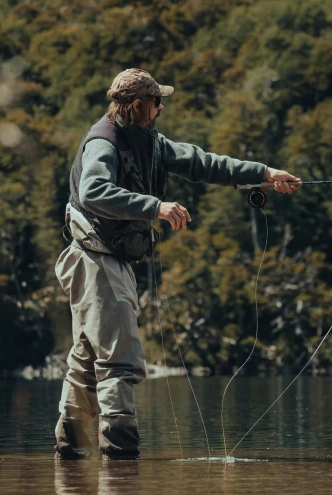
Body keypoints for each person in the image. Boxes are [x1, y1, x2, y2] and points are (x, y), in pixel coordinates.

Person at [54, 68, 300, 460]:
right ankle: (121, 457)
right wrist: (157, 207)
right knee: (120, 360)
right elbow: (94, 190)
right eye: (156, 102)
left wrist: (264, 174)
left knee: (86, 363)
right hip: (94, 258)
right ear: (137, 106)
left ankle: (69, 464)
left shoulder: (149, 141)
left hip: (105, 260)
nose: (161, 107)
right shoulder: (104, 142)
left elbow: (202, 162)